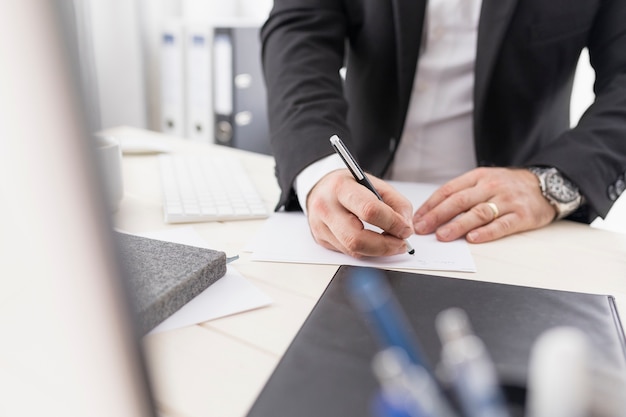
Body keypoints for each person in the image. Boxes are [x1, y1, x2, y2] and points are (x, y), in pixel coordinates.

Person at [260, 0, 626, 258]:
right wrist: (319, 169)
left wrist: (551, 184)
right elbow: (299, 30)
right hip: (355, 194)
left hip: (520, 219)